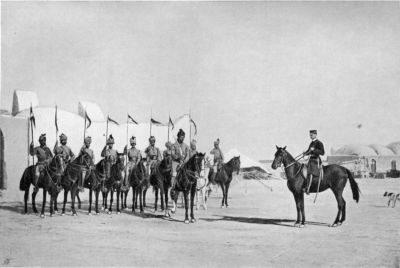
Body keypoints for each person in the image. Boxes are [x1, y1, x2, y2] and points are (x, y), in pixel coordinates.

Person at [304, 130, 325, 195]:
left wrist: (315, 150)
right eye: (310, 135)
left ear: (315, 135)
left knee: (310, 172)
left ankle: (308, 188)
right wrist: (305, 153)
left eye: (312, 135)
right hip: (310, 160)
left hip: (316, 160)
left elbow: (322, 152)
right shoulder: (311, 143)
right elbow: (308, 151)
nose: (311, 136)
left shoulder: (319, 143)